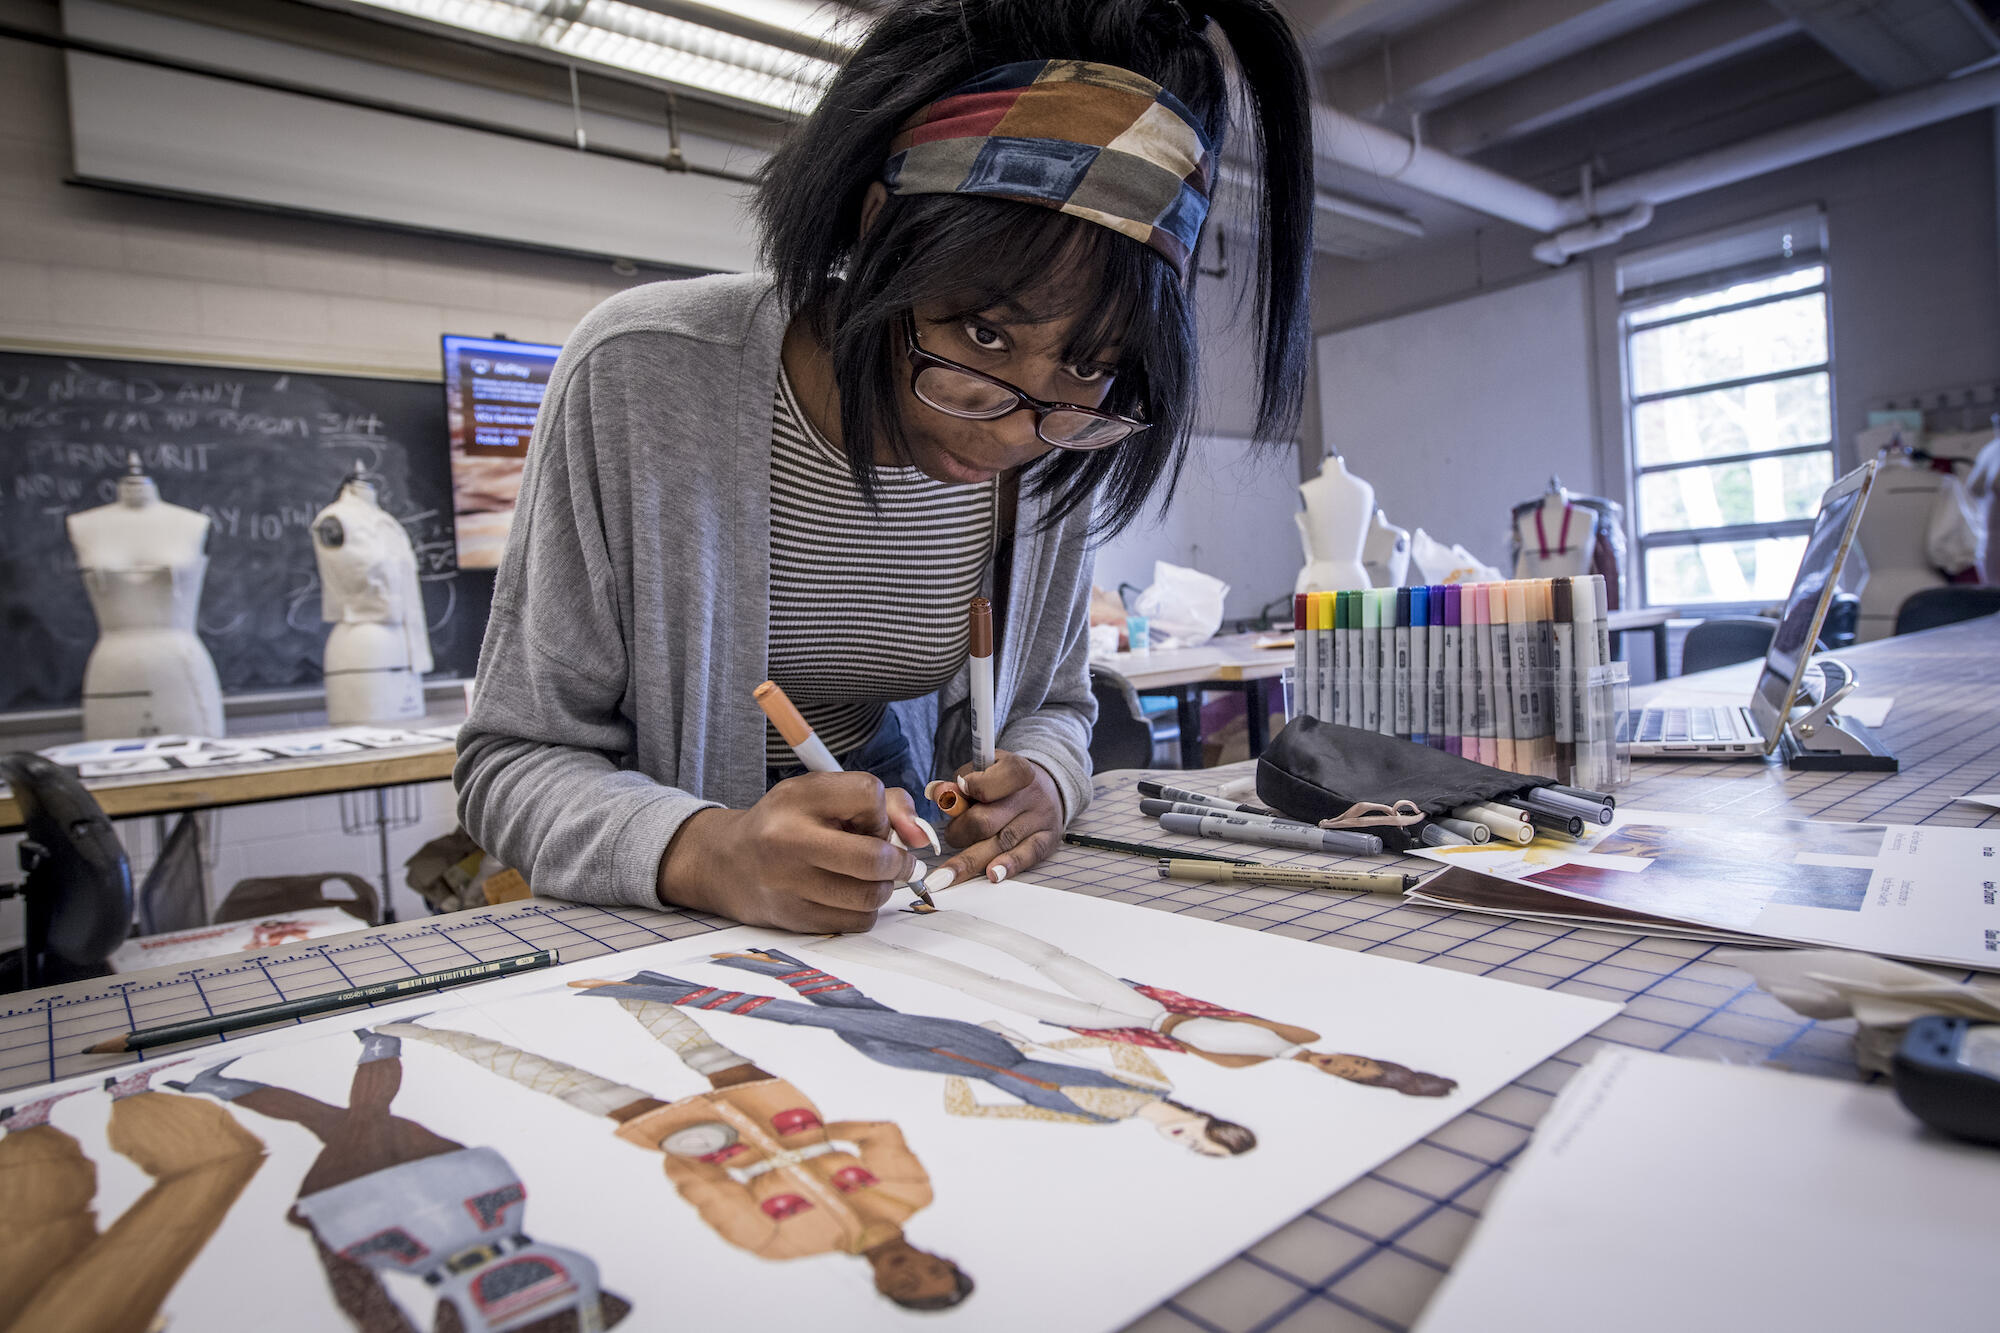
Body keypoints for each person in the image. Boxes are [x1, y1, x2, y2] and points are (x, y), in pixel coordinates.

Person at [454, 0, 1316, 933]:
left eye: (1089, 363)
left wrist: (1046, 784)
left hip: (903, 886)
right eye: (981, 333)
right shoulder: (643, 374)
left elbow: (1054, 707)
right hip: (663, 917)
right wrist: (710, 851)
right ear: (877, 232)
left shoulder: (1062, 426)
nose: (1005, 437)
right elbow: (512, 760)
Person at [378, 1002, 972, 1312]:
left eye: (908, 1288)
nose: (911, 1272)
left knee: (563, 1082)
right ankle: (615, 982)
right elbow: (880, 1134)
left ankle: (430, 1034)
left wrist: (688, 1152)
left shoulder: (782, 1246)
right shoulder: (910, 1196)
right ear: (942, 1258)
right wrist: (817, 1136)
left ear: (886, 1293)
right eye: (931, 1272)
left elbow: (706, 1194)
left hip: (710, 1150)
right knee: (700, 1046)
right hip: (785, 1118)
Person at [572, 947, 1258, 1155]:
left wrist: (961, 1093)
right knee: (805, 1021)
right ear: (1199, 1112)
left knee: (845, 1011)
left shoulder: (1102, 1121)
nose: (1185, 1136)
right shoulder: (1145, 1087)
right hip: (975, 1041)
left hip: (929, 1063)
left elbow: (1006, 1111)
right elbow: (1077, 1046)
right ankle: (646, 982)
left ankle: (770, 957)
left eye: (1195, 1147)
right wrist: (1022, 1041)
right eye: (1202, 1131)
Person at [170, 1033, 628, 1333]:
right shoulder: (600, 1317)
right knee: (353, 1120)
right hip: (479, 1207)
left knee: (360, 1119)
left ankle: (379, 1047)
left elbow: (373, 1314)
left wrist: (327, 1242)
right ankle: (222, 1086)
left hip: (392, 1227)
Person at [816, 913, 1458, 1096]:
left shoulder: (1257, 1071)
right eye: (1361, 1065)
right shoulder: (1297, 1030)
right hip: (1136, 1000)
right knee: (1047, 956)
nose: (1345, 1068)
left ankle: (884, 958)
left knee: (995, 990)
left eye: (1354, 1078)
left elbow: (1175, 1049)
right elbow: (1205, 1008)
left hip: (1120, 1023)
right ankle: (955, 921)